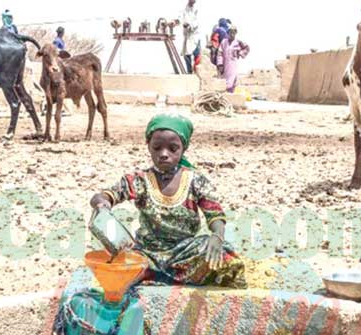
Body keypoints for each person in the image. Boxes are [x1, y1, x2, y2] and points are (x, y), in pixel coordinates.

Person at [90, 114, 246, 288]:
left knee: (226, 256)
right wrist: (102, 205)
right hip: (146, 253)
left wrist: (217, 236)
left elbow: (215, 215)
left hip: (184, 252)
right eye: (157, 148)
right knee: (118, 262)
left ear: (183, 148)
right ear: (148, 146)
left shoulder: (195, 180)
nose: (164, 154)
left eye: (173, 148)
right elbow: (106, 195)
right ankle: (167, 275)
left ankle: (154, 276)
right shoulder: (139, 180)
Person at [220, 26, 249, 93]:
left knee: (232, 79)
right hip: (225, 64)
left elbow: (247, 48)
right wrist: (220, 64)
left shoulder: (238, 42)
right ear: (228, 33)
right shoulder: (224, 42)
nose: (232, 34)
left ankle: (230, 93)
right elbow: (220, 53)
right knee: (225, 79)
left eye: (233, 32)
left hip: (233, 63)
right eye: (230, 32)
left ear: (235, 33)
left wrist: (240, 53)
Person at [180, 0, 199, 74]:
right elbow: (180, 18)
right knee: (186, 55)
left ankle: (197, 72)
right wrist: (177, 22)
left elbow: (197, 22)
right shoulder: (184, 9)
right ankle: (189, 72)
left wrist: (190, 25)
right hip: (187, 36)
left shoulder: (197, 9)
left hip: (195, 36)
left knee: (197, 54)